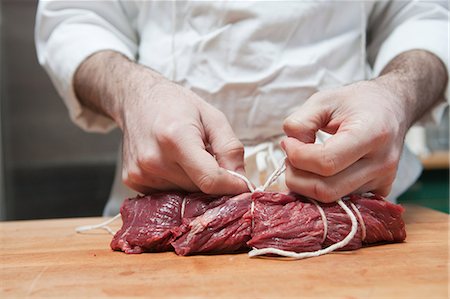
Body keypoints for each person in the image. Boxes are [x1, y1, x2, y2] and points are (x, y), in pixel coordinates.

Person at [35, 1, 448, 216]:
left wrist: (397, 95)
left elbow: (426, 14)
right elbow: (76, 18)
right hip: (166, 198)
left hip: (353, 199)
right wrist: (132, 93)